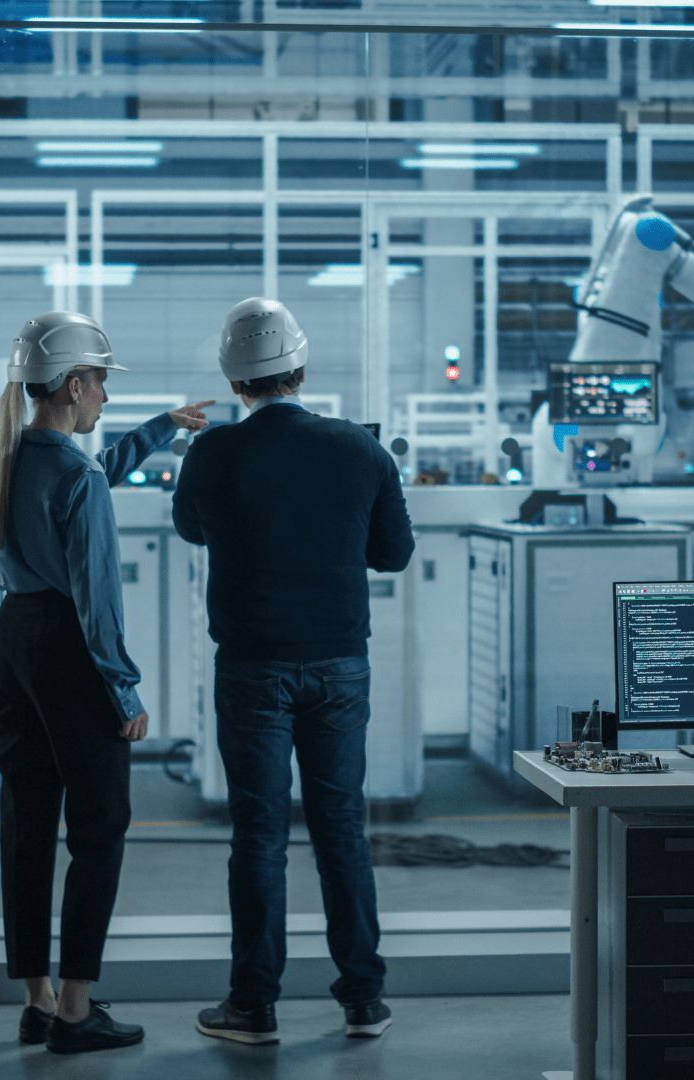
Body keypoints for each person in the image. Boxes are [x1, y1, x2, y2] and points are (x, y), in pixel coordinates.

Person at [171, 297, 415, 1045]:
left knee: (260, 835)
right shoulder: (360, 451)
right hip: (340, 666)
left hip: (253, 669)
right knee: (342, 829)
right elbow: (394, 553)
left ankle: (254, 1007)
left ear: (235, 379)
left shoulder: (209, 453)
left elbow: (189, 527)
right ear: (300, 370)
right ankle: (363, 1000)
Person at [0, 310, 213, 1055]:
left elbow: (92, 471)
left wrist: (158, 428)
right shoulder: (73, 475)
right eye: (103, 384)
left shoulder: (13, 457)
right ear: (75, 385)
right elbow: (96, 599)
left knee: (28, 821)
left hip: (12, 641)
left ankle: (37, 998)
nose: (105, 398)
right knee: (101, 826)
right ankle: (78, 1009)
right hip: (69, 651)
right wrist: (125, 692)